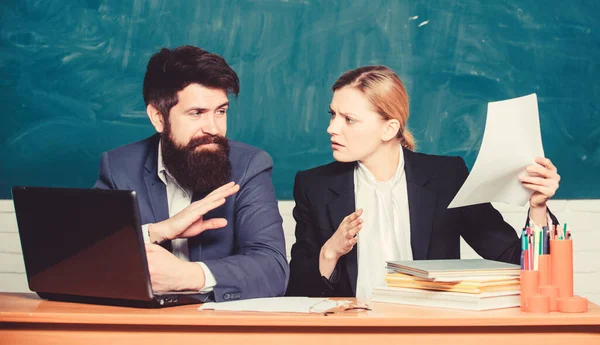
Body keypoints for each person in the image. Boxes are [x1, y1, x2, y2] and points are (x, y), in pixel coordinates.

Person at [286, 65, 560, 298]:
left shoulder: (446, 178)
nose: (332, 128)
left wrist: (537, 208)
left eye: (349, 119)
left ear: (389, 128)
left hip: (430, 331)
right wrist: (331, 251)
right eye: (333, 114)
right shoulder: (315, 186)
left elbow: (516, 261)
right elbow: (296, 292)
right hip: (351, 333)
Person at [94, 46, 289, 302]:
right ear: (158, 118)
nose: (213, 128)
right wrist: (156, 232)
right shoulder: (119, 166)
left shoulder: (250, 166)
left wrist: (188, 275)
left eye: (221, 111)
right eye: (196, 113)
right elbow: (89, 254)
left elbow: (273, 268)